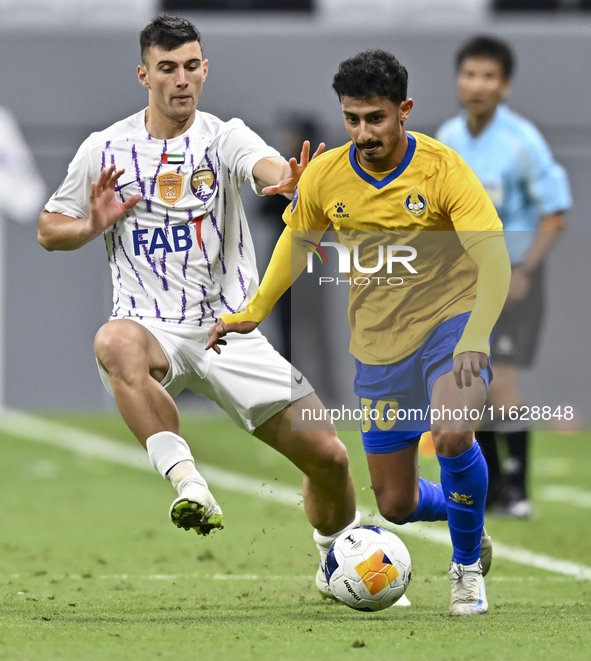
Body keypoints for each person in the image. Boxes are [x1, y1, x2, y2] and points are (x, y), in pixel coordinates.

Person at [37, 15, 358, 594]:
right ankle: (189, 483)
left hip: (228, 330)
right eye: (167, 68)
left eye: (191, 66)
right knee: (113, 341)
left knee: (330, 459)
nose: (181, 80)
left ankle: (337, 554)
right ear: (144, 74)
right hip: (149, 327)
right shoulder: (104, 148)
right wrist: (93, 223)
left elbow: (266, 169)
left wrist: (289, 180)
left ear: (204, 69)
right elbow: (48, 228)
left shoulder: (223, 136)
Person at [207, 49, 513, 616]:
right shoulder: (326, 175)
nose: (363, 131)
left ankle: (466, 569)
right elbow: (296, 242)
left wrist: (476, 335)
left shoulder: (444, 171)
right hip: (378, 343)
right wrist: (253, 308)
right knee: (395, 503)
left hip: (453, 322)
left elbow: (493, 259)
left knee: (451, 433)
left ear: (405, 111)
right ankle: (465, 509)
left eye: (376, 118)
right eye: (352, 119)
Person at [436, 36, 571, 518]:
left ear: (505, 85)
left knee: (502, 386)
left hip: (515, 279)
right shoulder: (449, 138)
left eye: (489, 76)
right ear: (459, 79)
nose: (478, 85)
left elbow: (555, 212)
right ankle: (493, 491)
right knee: (474, 382)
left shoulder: (522, 142)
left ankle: (517, 489)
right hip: (466, 282)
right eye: (470, 74)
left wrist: (525, 268)